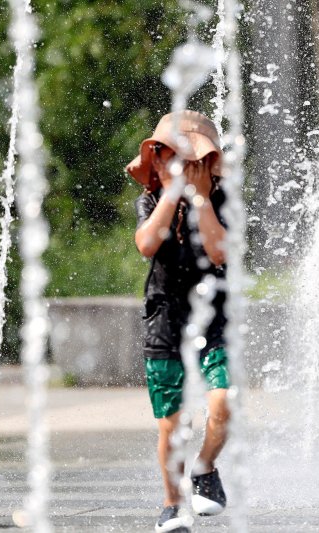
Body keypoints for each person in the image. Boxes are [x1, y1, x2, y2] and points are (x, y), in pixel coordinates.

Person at [127, 110, 230, 532]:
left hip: (214, 318)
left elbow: (221, 253)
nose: (181, 167)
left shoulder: (223, 200)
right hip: (166, 316)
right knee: (172, 421)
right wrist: (171, 195)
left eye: (191, 159)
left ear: (207, 163)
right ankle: (172, 504)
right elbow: (147, 244)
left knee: (226, 402)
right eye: (172, 157)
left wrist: (201, 197)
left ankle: (205, 467)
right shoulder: (151, 200)